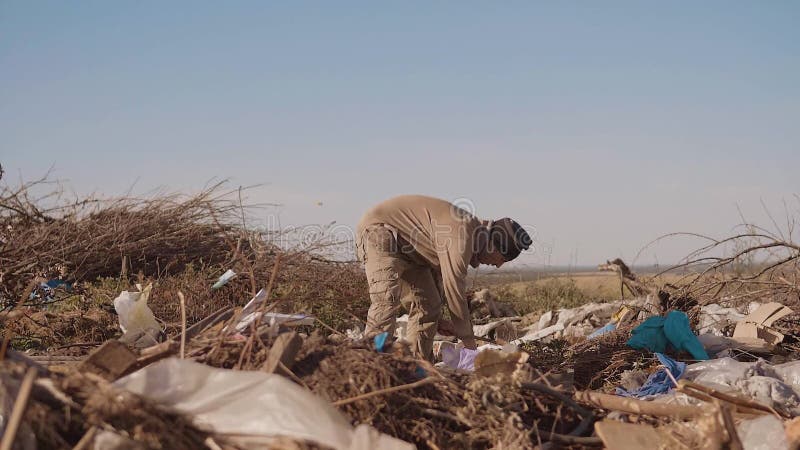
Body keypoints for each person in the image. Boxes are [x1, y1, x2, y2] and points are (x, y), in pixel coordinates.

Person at [355, 195, 532, 361]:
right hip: (381, 231)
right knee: (386, 299)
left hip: (413, 252)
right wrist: (469, 345)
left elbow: (439, 283)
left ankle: (417, 367)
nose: (499, 265)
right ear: (493, 245)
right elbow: (454, 290)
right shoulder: (463, 233)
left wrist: (440, 320)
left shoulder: (466, 238)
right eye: (502, 259)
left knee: (429, 305)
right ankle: (371, 362)